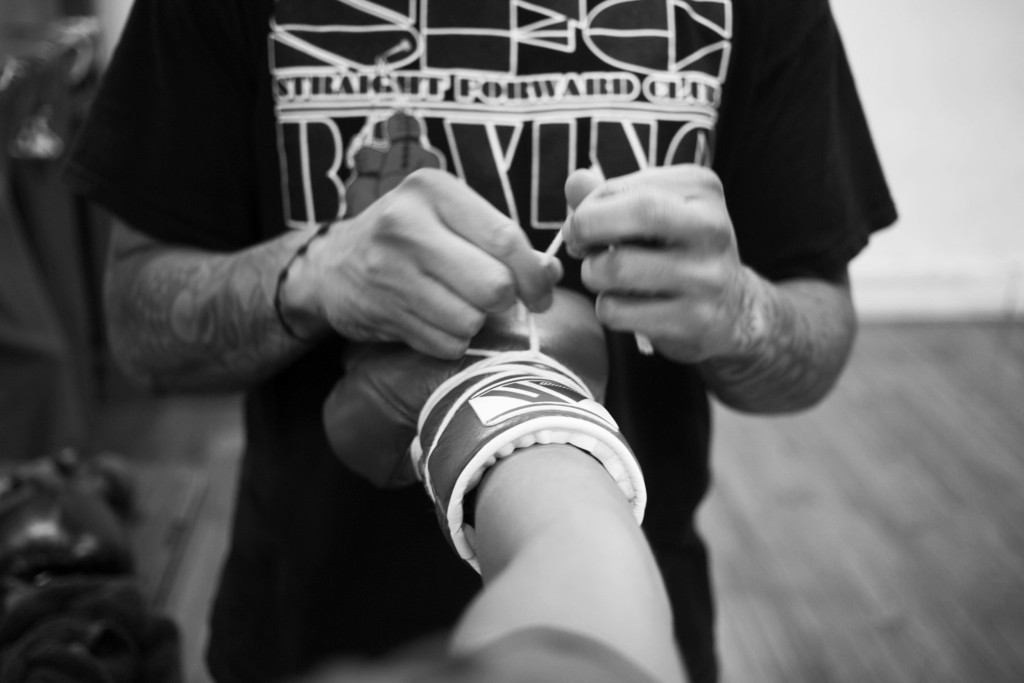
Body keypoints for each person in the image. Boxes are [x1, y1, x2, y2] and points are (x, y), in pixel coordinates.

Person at [63, 1, 897, 682]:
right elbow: (138, 325)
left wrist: (740, 311)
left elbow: (815, 337)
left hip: (639, 608)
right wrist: (313, 275)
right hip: (306, 609)